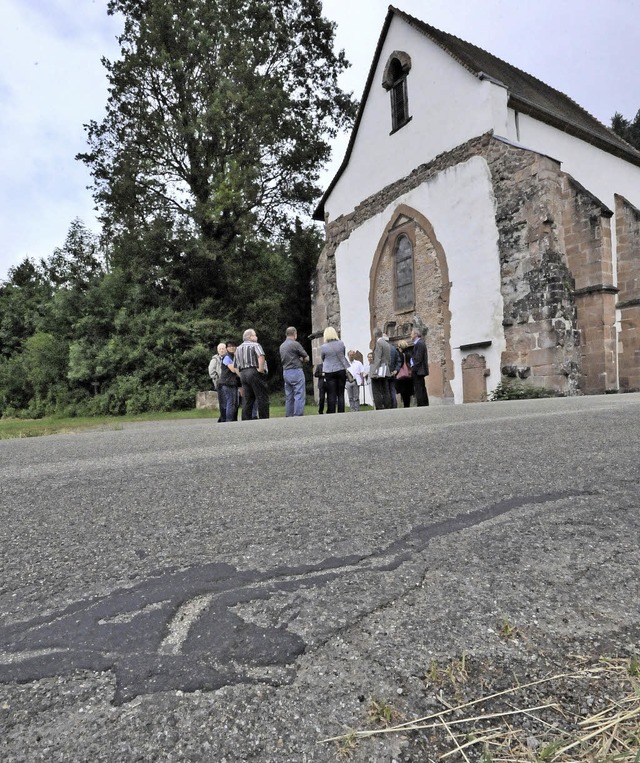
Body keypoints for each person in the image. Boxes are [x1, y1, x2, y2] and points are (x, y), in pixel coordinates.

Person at [234, 328, 270, 419]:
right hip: (253, 371)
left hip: (243, 373)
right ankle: (264, 418)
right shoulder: (255, 345)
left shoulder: (238, 348)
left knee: (247, 398)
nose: (256, 337)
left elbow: (235, 366)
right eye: (255, 335)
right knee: (261, 396)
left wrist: (241, 374)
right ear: (250, 337)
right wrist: (261, 369)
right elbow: (261, 356)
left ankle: (246, 419)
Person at [279, 326, 309, 417]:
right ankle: (298, 415)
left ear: (286, 334)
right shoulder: (295, 344)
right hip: (296, 370)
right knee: (299, 394)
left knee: (289, 396)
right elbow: (306, 357)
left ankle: (289, 415)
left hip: (286, 372)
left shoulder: (282, 346)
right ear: (295, 334)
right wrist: (302, 359)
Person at [320, 326, 349, 413]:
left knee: (331, 393)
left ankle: (332, 411)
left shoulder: (324, 347)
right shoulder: (341, 343)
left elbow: (323, 358)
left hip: (329, 371)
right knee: (341, 392)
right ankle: (341, 411)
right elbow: (343, 355)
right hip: (340, 369)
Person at [217, 340, 241, 422]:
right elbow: (233, 370)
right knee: (230, 403)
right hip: (227, 383)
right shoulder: (227, 357)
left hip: (232, 383)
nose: (232, 347)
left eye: (234, 346)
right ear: (227, 348)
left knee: (233, 403)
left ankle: (230, 420)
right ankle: (229, 421)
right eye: (230, 346)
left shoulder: (233, 356)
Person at [370, 327, 392, 409]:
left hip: (380, 368)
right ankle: (387, 405)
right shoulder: (386, 343)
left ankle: (379, 406)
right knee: (386, 389)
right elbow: (389, 358)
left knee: (376, 389)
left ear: (374, 335)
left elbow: (378, 358)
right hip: (386, 368)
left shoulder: (379, 343)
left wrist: (374, 370)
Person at [411, 327, 430, 406]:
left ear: (415, 334)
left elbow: (418, 358)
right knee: (421, 386)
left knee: (419, 388)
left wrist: (414, 368)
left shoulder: (420, 343)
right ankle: (424, 403)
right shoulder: (420, 343)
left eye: (411, 333)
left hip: (418, 370)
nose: (410, 335)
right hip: (419, 370)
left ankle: (421, 404)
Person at [395, 339, 414, 408]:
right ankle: (407, 404)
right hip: (408, 375)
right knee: (408, 392)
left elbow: (399, 364)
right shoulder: (409, 354)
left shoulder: (399, 355)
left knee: (403, 391)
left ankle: (404, 404)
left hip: (401, 375)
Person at [388, 340, 403, 409]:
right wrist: (395, 370)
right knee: (392, 391)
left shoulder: (382, 349)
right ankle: (394, 406)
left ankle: (389, 406)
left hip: (385, 374)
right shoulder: (394, 349)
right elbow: (399, 361)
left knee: (387, 391)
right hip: (392, 373)